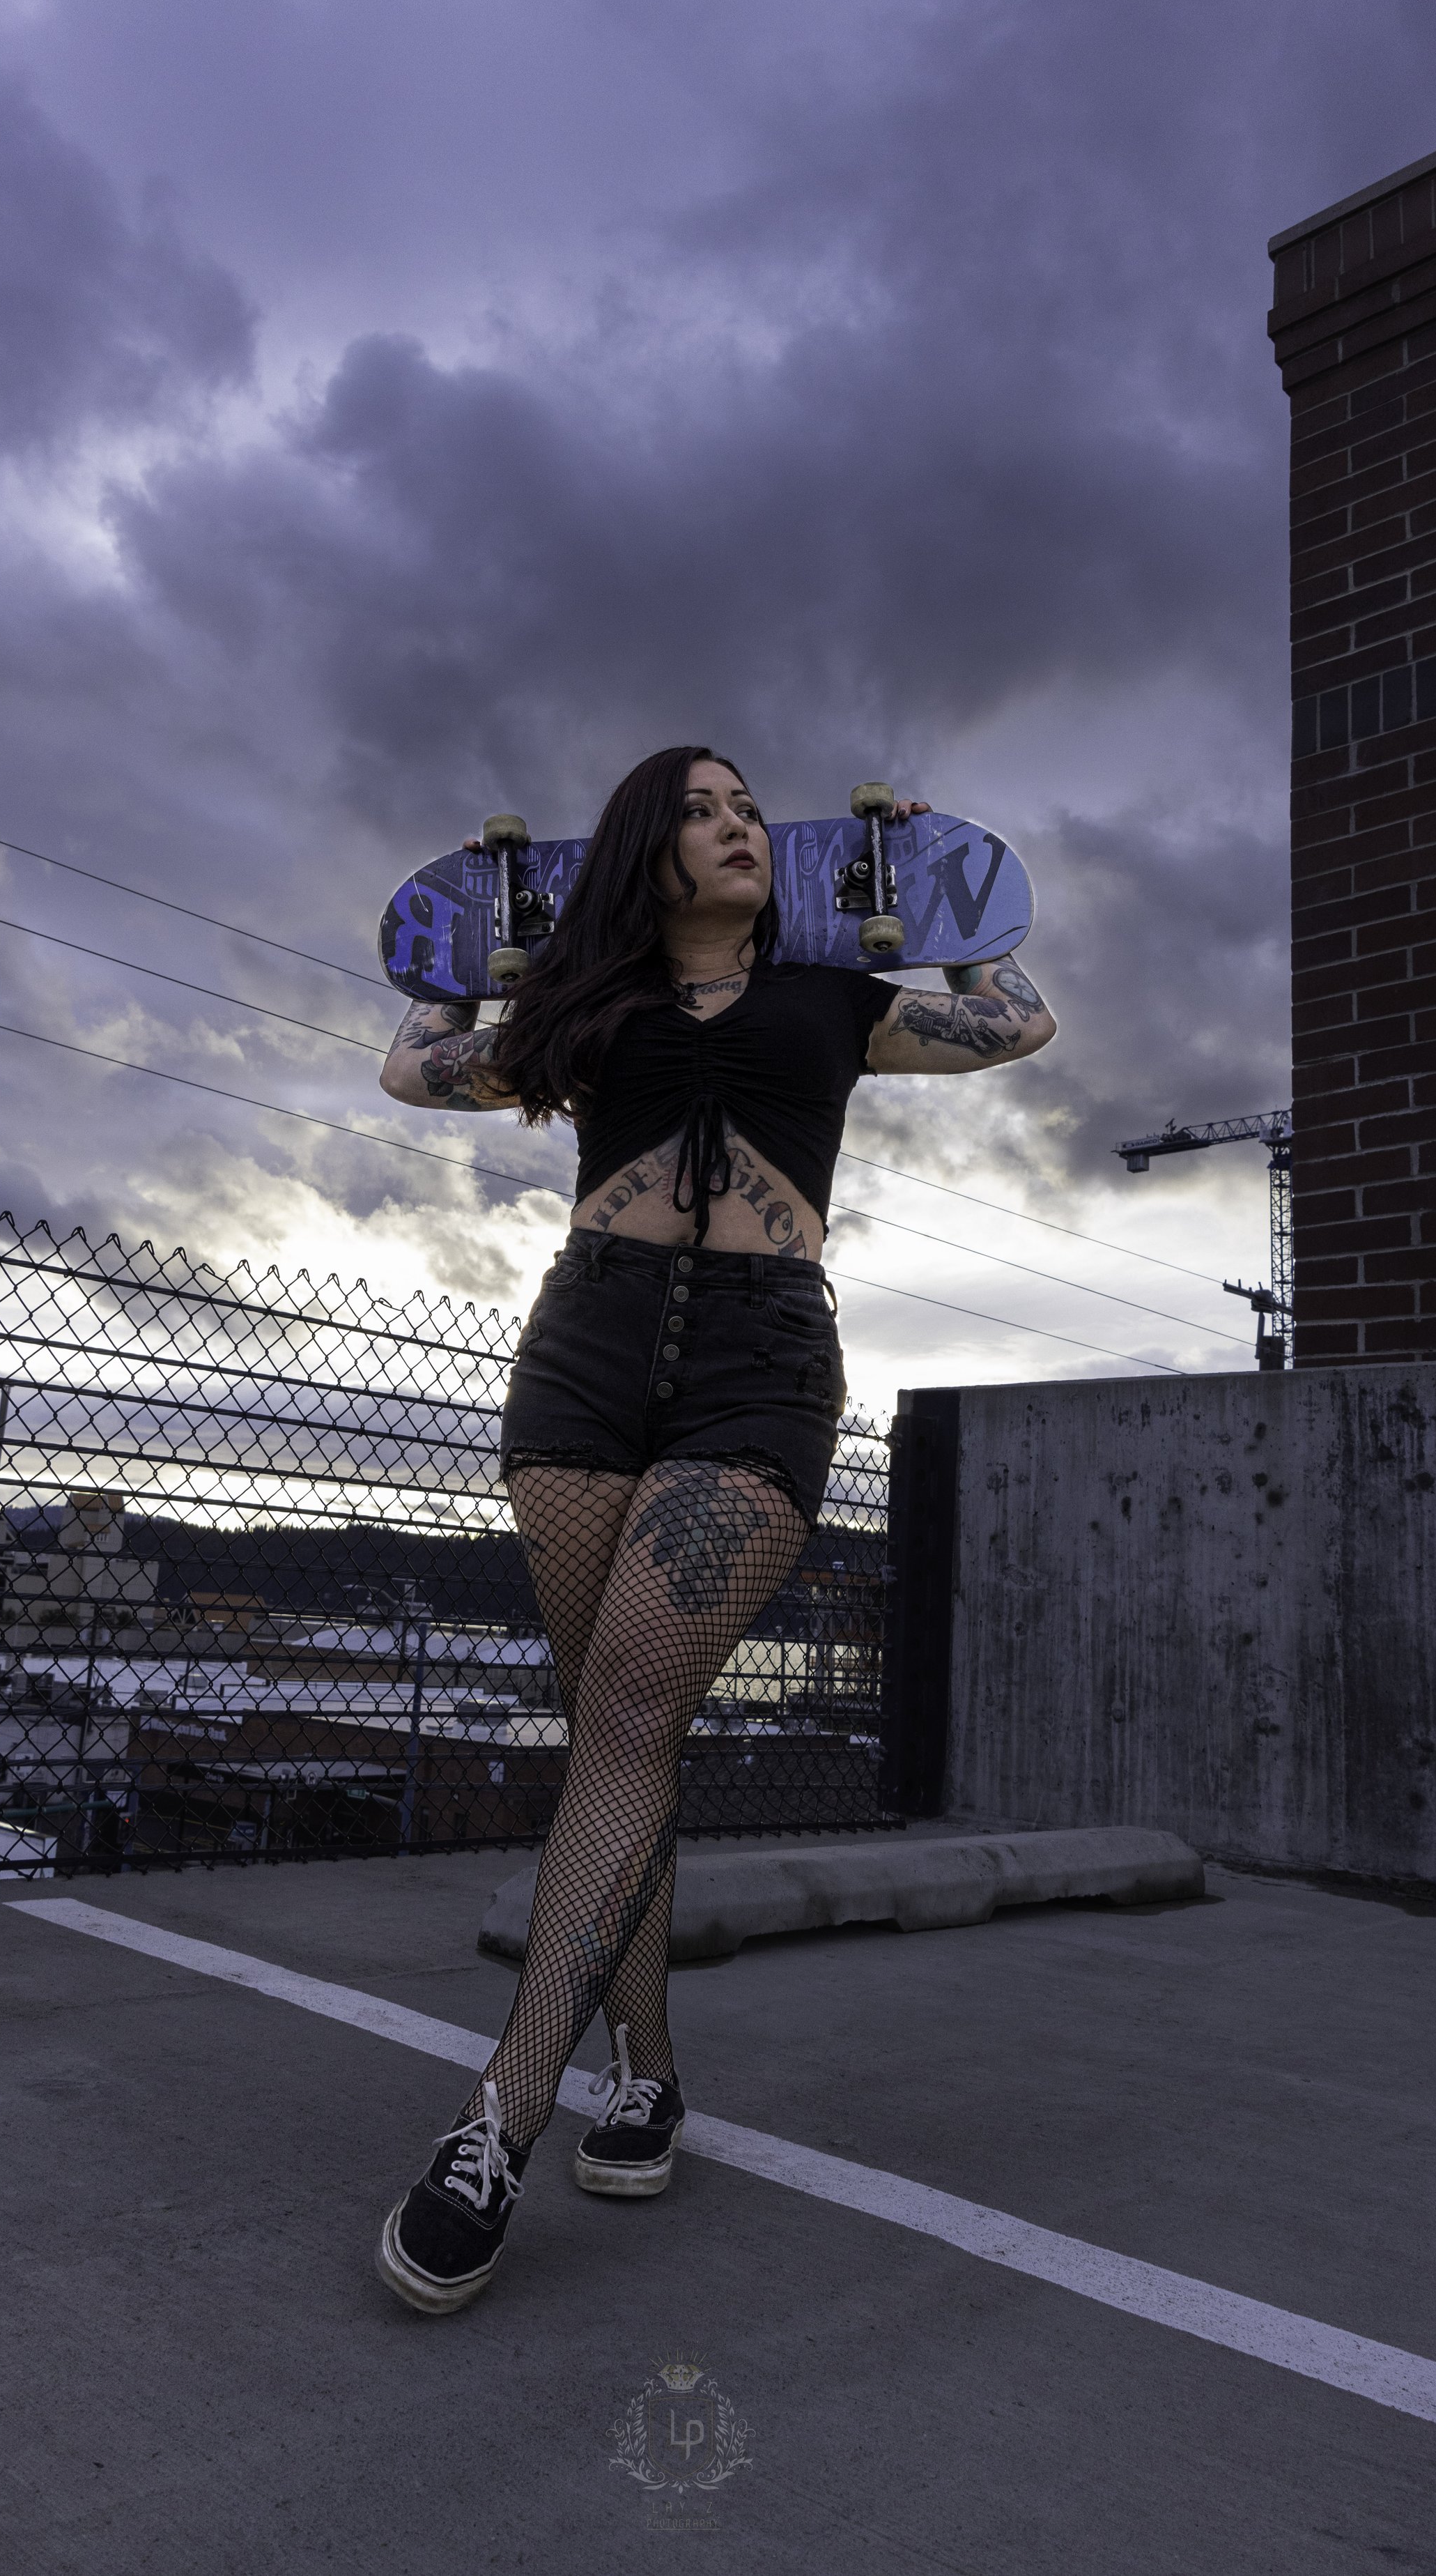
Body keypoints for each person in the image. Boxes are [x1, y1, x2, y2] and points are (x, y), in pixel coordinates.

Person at [373, 744, 1055, 2313]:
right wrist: (473, 920)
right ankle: (650, 2071)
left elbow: (1016, 1020)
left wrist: (940, 888)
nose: (738, 825)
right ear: (642, 848)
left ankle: (497, 2121)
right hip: (584, 1356)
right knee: (622, 1731)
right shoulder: (585, 1008)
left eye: (748, 808)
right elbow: (417, 1066)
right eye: (700, 809)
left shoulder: (833, 996)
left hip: (759, 1365)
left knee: (627, 1712)